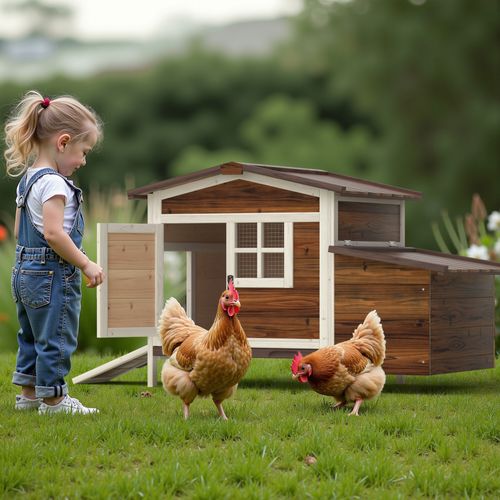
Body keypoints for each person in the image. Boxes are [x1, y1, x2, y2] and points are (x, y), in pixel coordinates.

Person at [4, 90, 104, 414]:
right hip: (52, 275)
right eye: (83, 151)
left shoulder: (29, 179)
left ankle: (29, 394)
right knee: (56, 336)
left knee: (31, 334)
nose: (83, 161)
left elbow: (22, 231)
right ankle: (55, 399)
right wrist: (86, 264)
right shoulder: (56, 184)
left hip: (23, 272)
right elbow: (53, 233)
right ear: (63, 143)